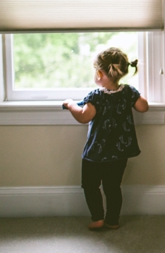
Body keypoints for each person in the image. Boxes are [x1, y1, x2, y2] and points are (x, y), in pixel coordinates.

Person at [63, 47, 149, 230]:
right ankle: (112, 220)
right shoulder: (128, 92)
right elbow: (143, 107)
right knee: (113, 187)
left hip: (96, 152)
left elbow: (84, 117)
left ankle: (97, 218)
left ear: (100, 73)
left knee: (90, 185)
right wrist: (136, 95)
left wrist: (71, 105)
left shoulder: (97, 96)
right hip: (120, 152)